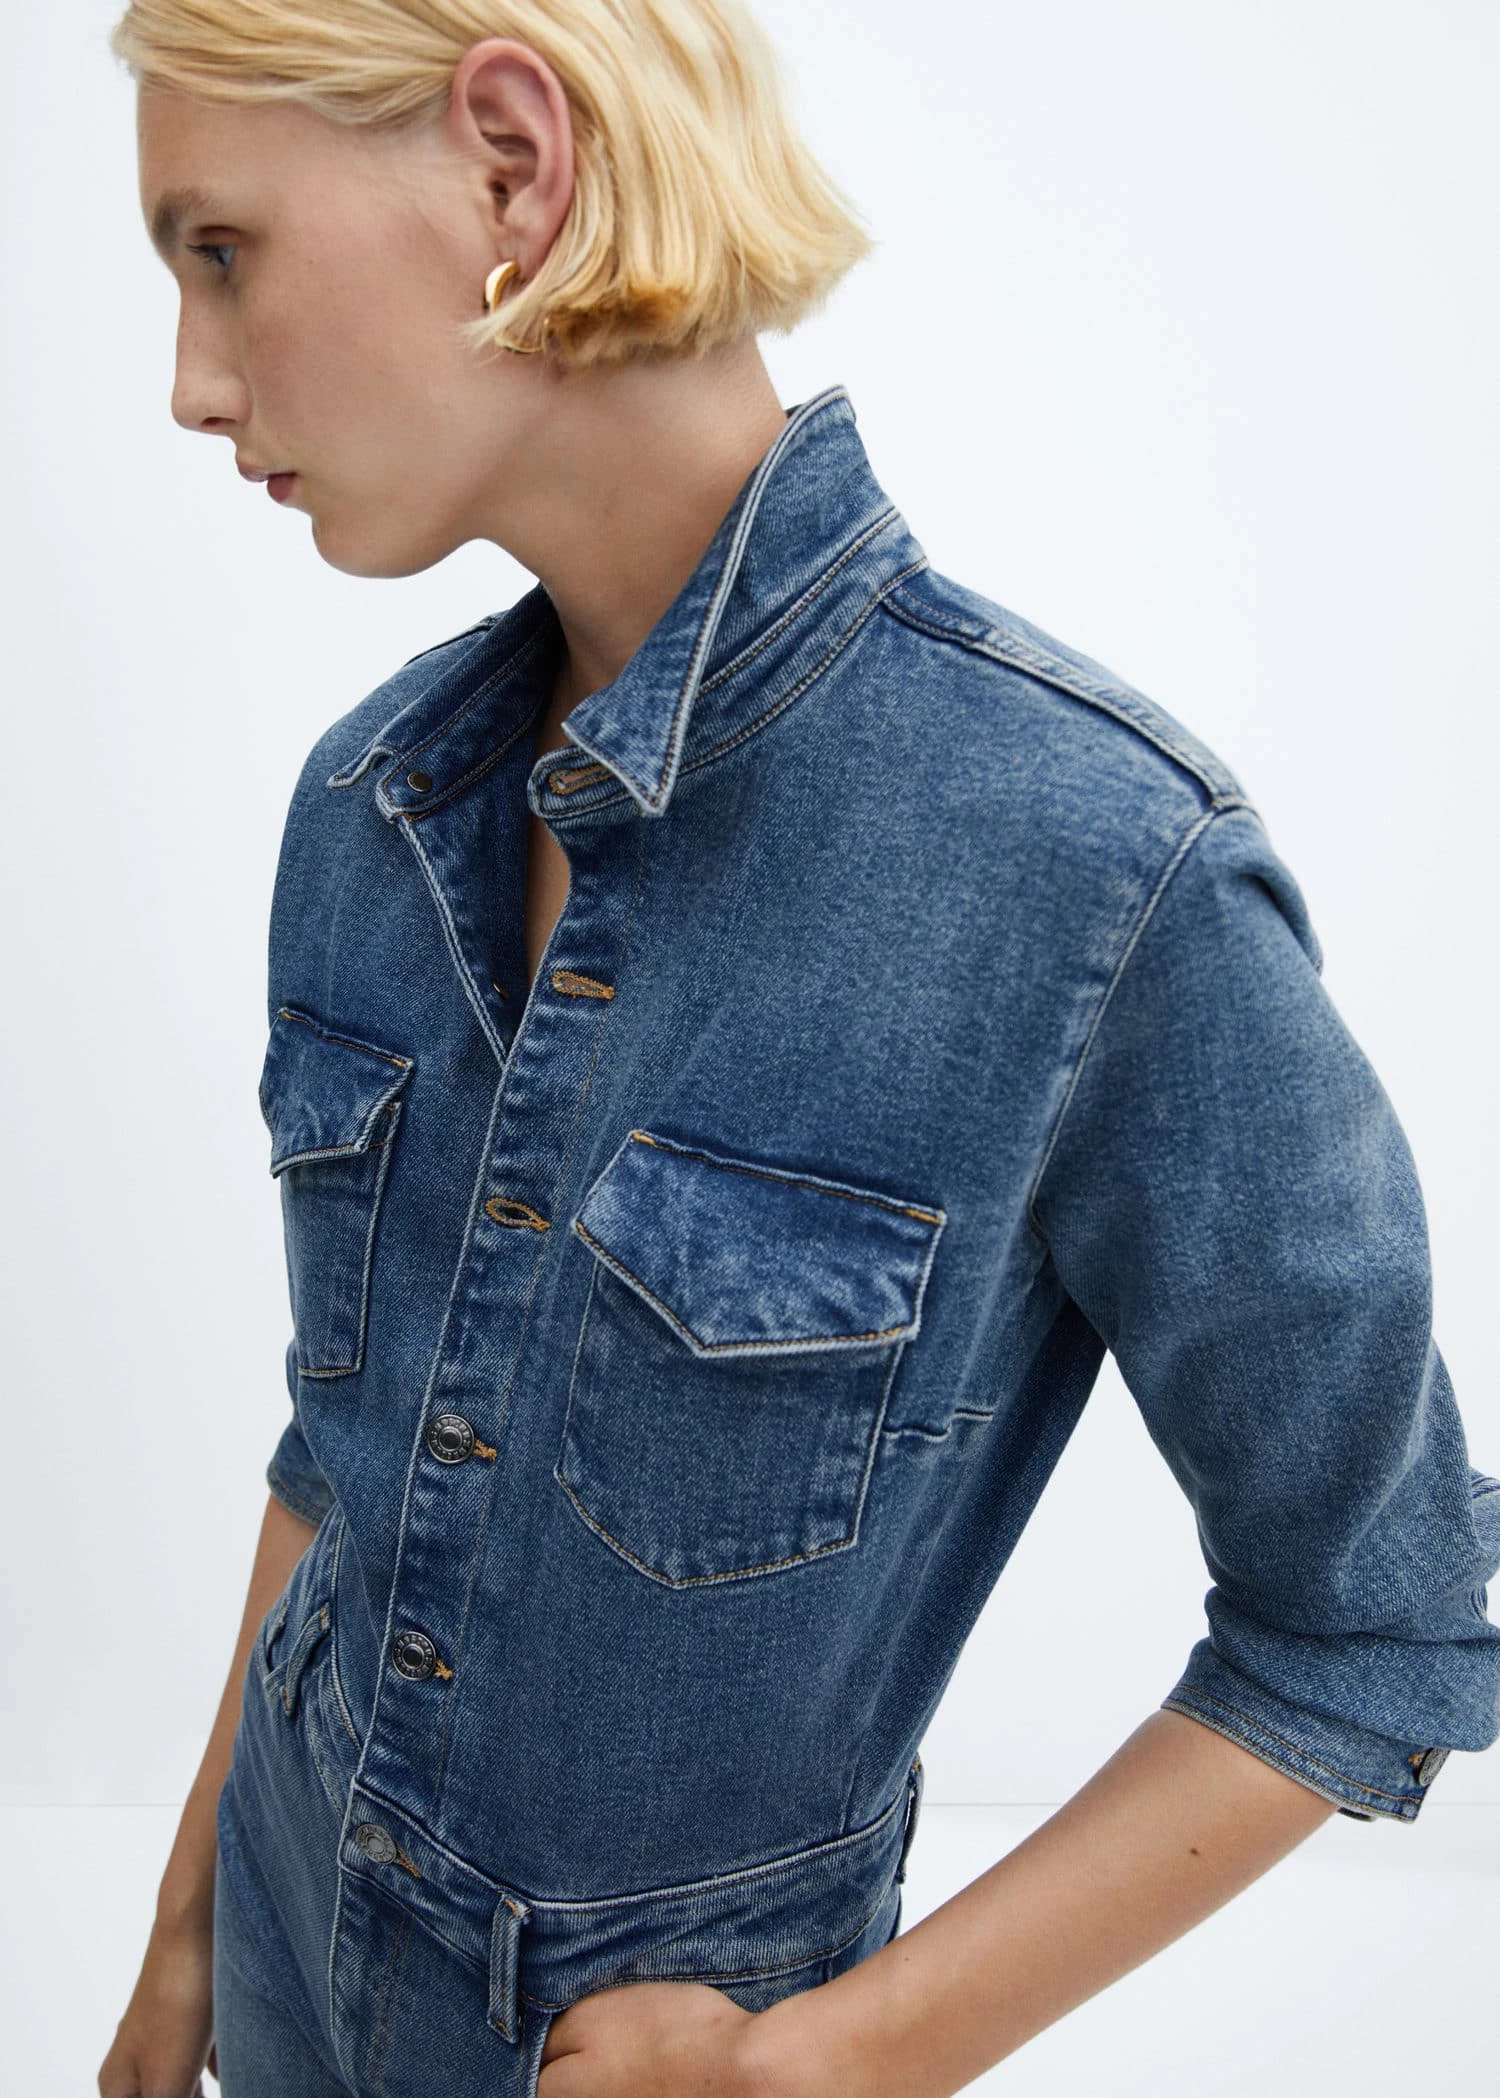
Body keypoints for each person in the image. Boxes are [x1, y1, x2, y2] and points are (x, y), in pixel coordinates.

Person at [98, 5, 1500, 2097]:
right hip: (284, 1968)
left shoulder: (1099, 872)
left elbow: (1371, 1617)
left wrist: (839, 2059)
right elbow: (354, 1442)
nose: (192, 382)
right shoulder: (367, 805)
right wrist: (186, 1923)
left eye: (220, 251)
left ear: (513, 162)